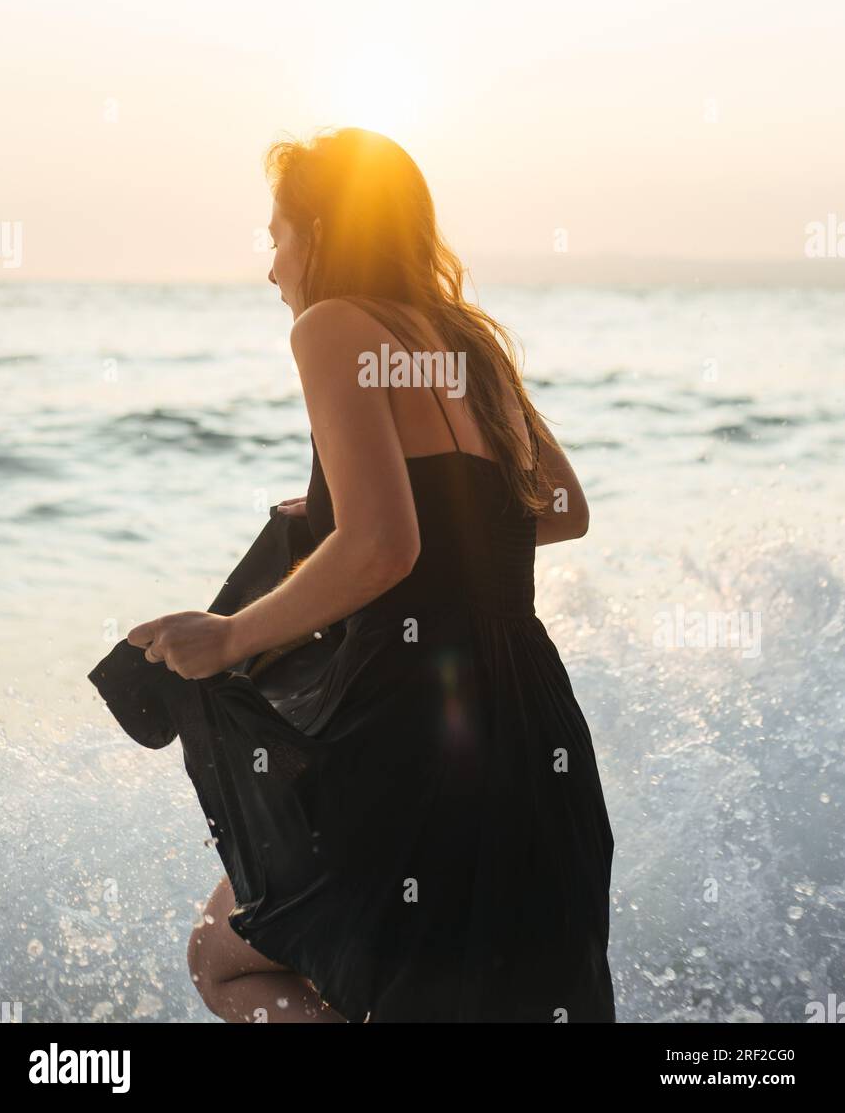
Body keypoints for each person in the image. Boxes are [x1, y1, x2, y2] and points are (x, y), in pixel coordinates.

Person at [127, 126, 616, 1023]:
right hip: (529, 713)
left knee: (227, 961)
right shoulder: (470, 343)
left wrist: (231, 633)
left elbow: (385, 548)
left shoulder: (332, 325)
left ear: (316, 229)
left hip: (413, 722)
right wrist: (336, 520)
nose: (271, 266)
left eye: (275, 235)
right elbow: (560, 508)